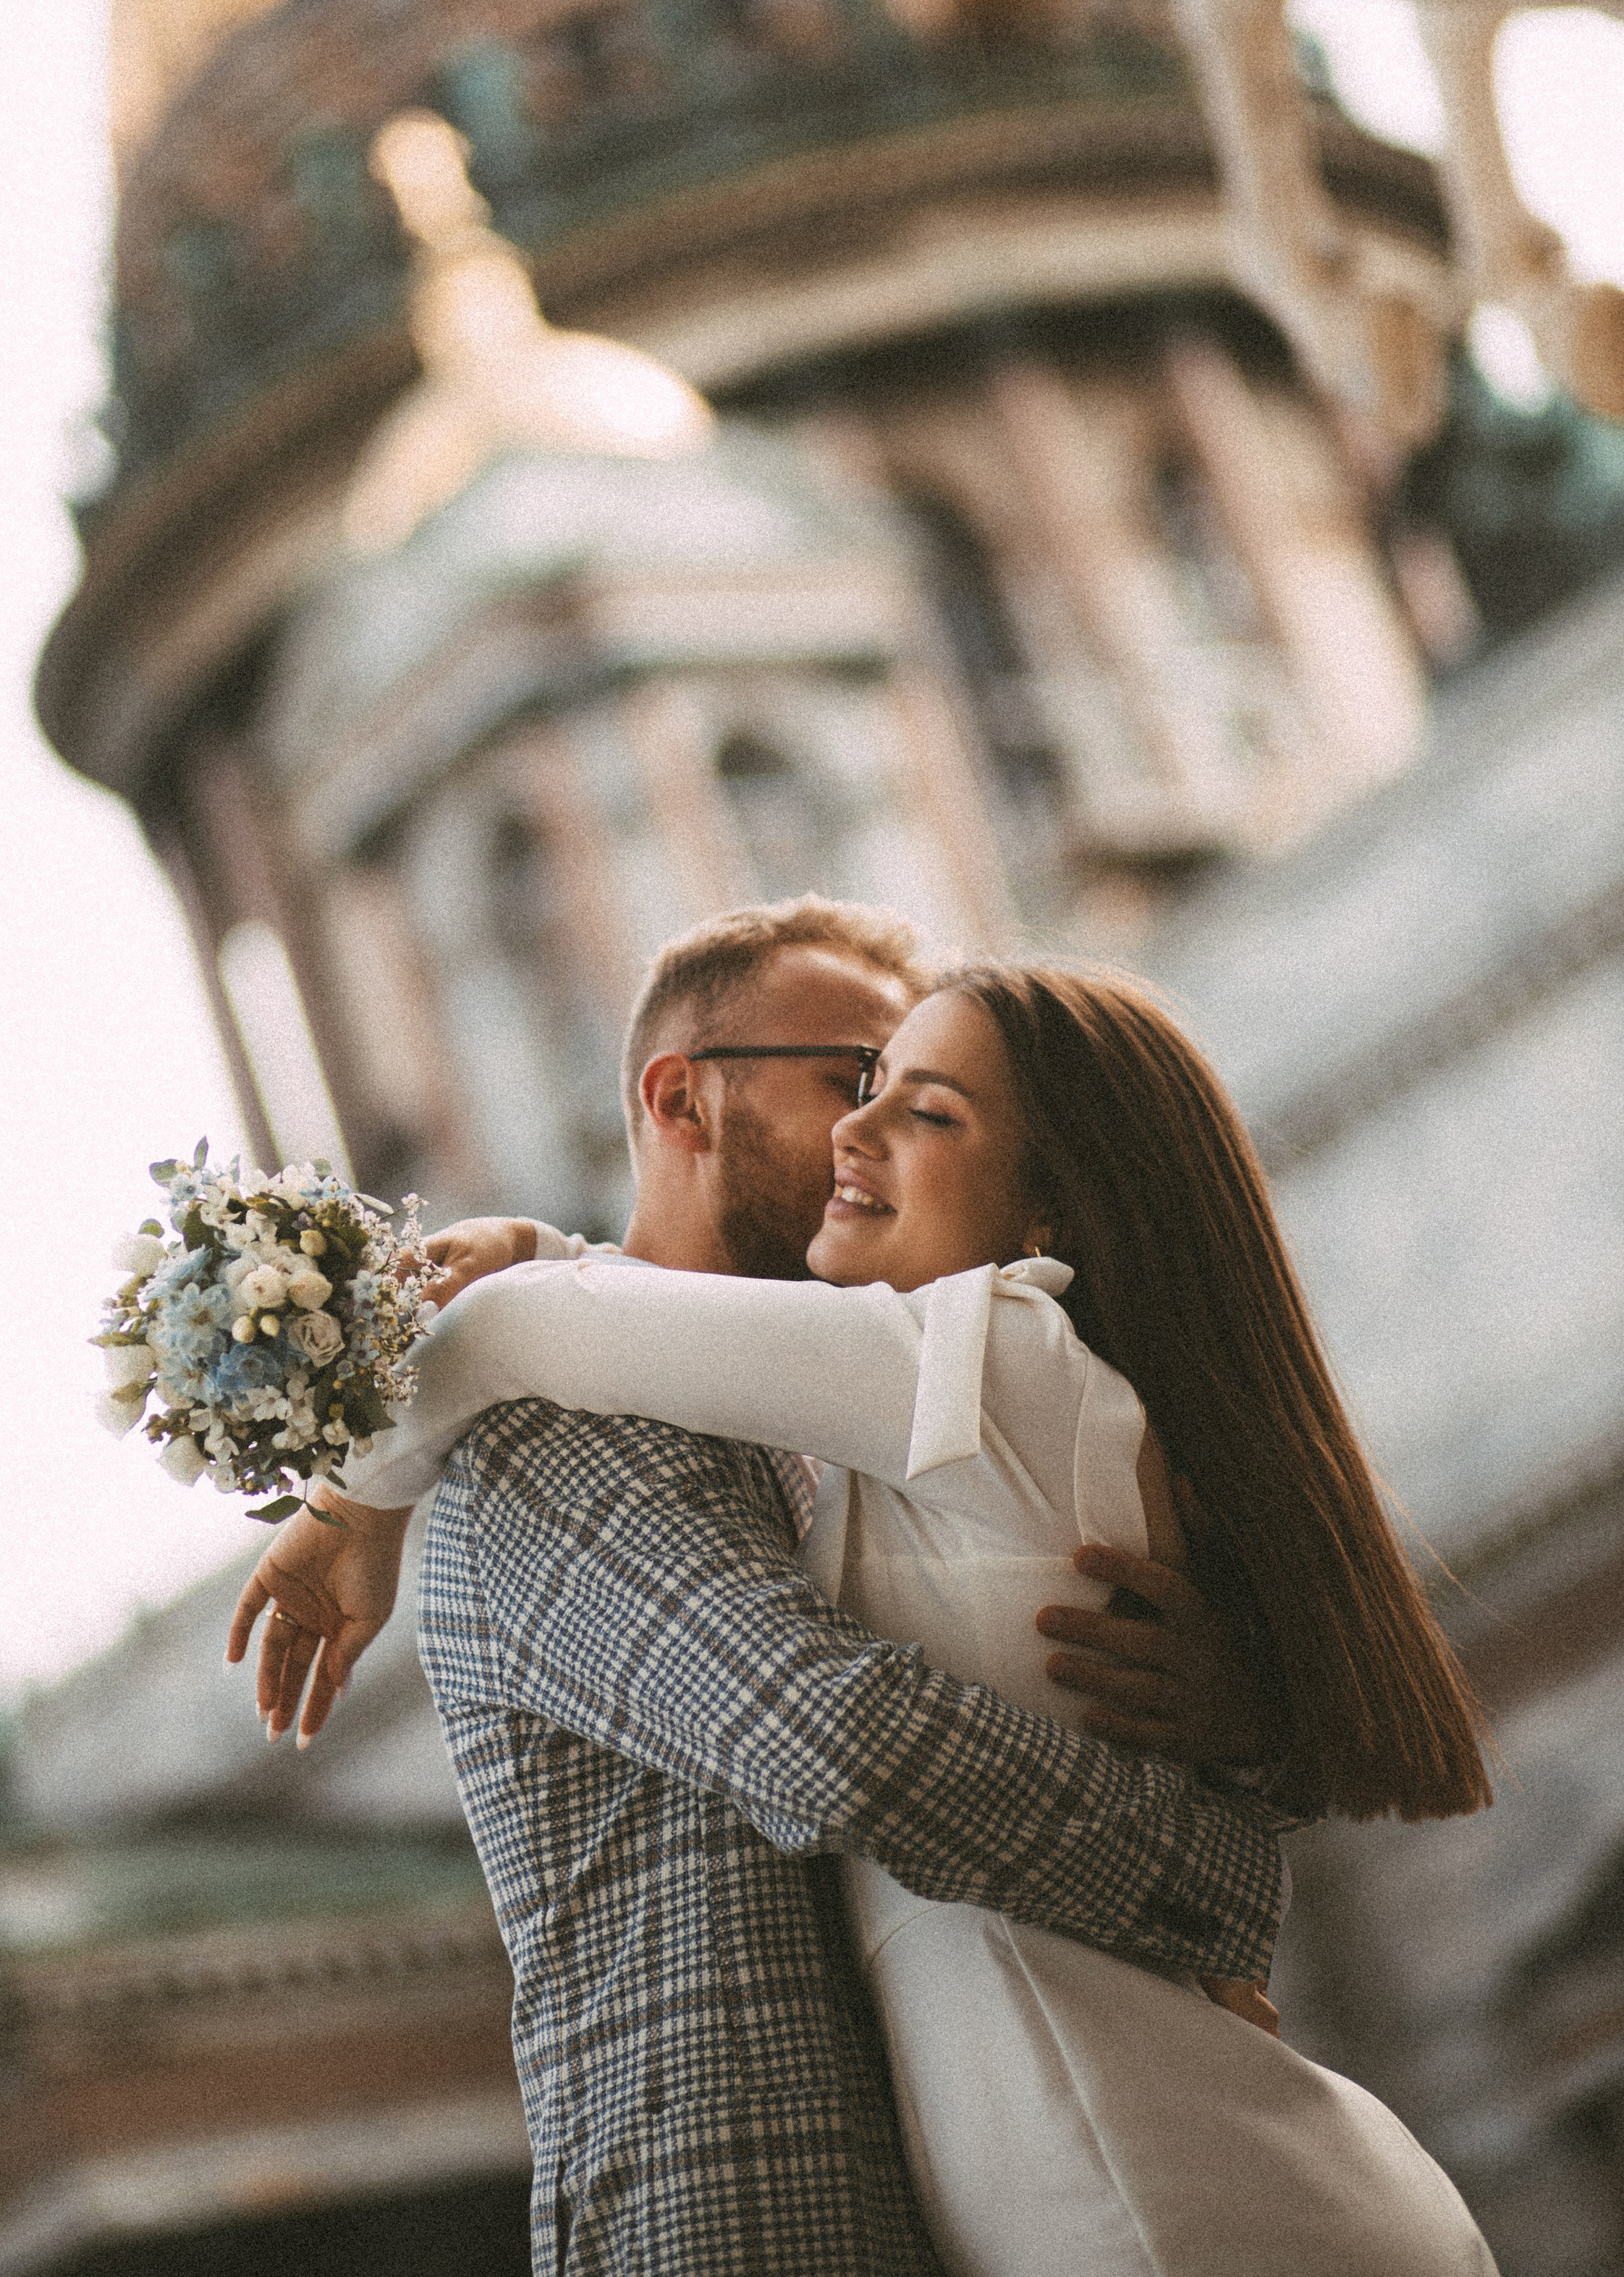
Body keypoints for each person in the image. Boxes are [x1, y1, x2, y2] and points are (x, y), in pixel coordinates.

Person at [232, 903, 1292, 2276]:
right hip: (751, 2215)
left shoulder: (874, 1416)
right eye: (855, 1082)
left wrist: (1243, 1712)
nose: (868, 1136)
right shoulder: (560, 1432)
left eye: (921, 1106)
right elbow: (829, 1739)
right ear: (681, 1099)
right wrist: (1212, 1872)